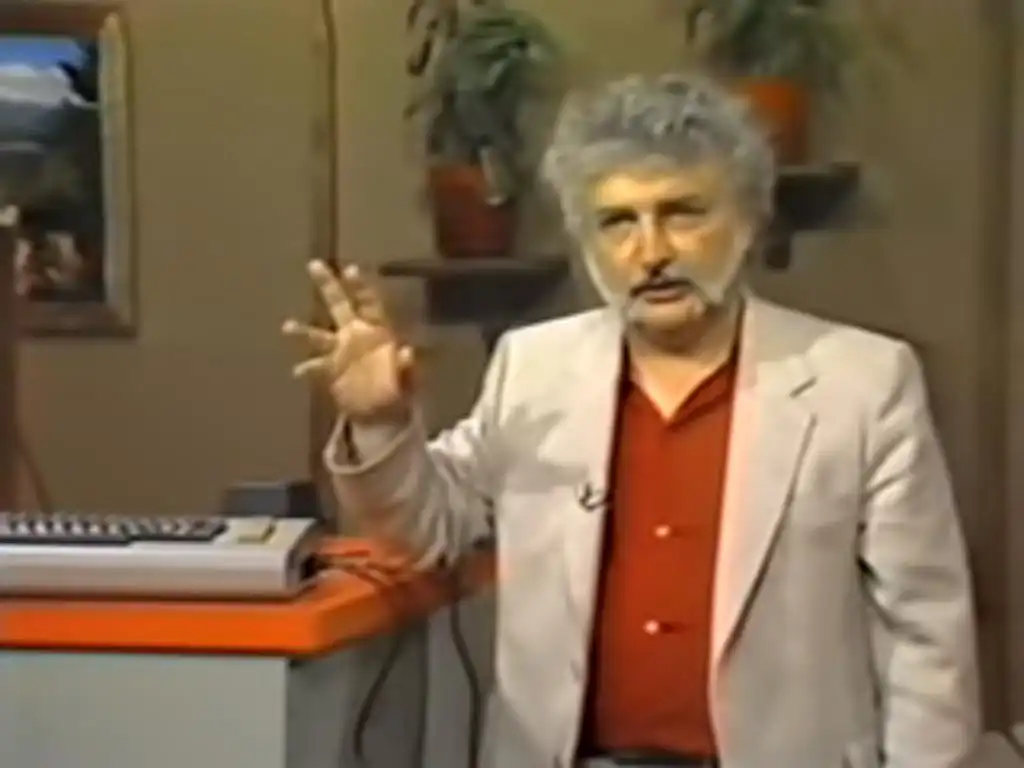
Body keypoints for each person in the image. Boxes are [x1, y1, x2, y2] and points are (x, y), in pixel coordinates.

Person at [283, 73, 980, 768]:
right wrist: (381, 424)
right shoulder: (533, 367)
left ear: (748, 221)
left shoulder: (862, 382)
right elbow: (426, 531)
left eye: (683, 214)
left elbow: (926, 633)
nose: (651, 253)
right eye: (618, 222)